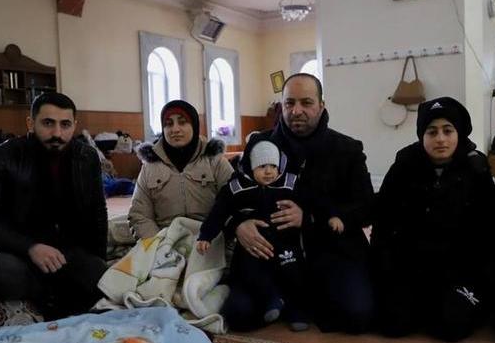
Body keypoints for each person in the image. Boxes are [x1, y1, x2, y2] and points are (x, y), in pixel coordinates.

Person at [221, 73, 375, 334]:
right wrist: (239, 224)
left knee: (358, 314)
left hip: (330, 251)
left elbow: (366, 208)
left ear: (322, 106)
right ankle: (286, 299)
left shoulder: (346, 150)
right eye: (290, 103)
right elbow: (231, 197)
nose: (297, 111)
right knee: (238, 315)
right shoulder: (260, 145)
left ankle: (300, 300)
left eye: (306, 102)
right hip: (269, 254)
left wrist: (311, 218)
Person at [0, 92, 108, 320]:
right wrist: (30, 247)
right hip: (11, 249)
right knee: (6, 274)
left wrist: (96, 262)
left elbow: (97, 215)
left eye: (65, 125)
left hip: (62, 251)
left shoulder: (87, 157)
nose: (57, 134)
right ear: (30, 123)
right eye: (48, 123)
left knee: (100, 276)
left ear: (75, 125)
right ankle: (51, 298)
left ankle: (53, 292)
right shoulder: (1, 156)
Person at [372, 96, 495, 342]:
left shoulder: (477, 168)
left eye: (447, 131)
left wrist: (480, 279)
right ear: (422, 136)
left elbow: (490, 231)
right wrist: (385, 271)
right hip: (412, 267)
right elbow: (383, 220)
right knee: (391, 324)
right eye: (432, 132)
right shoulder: (404, 166)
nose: (440, 139)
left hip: (461, 271)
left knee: (449, 327)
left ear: (458, 133)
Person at [197, 139, 321, 332]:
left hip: (285, 244)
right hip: (252, 249)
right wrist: (206, 235)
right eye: (262, 166)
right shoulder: (238, 187)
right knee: (250, 275)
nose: (269, 171)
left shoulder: (290, 183)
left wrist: (319, 216)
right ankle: (273, 298)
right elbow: (219, 211)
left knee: (295, 274)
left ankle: (297, 310)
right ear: (251, 167)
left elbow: (314, 201)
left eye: (273, 166)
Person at [127, 99, 233, 239]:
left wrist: (213, 240)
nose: (175, 129)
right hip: (164, 242)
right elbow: (139, 215)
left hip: (209, 242)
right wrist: (160, 246)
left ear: (194, 126)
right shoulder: (150, 167)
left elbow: (235, 204)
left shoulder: (215, 161)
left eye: (182, 122)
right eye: (168, 124)